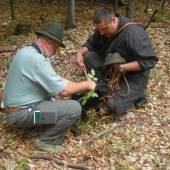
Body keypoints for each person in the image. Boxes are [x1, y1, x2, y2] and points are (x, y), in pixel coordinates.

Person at [2, 22, 96, 153]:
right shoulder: (38, 61)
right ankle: (45, 141)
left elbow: (55, 79)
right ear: (49, 43)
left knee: (55, 103)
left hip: (14, 111)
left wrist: (76, 84)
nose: (55, 52)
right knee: (74, 108)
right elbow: (63, 91)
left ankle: (37, 125)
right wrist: (87, 84)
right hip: (22, 116)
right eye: (56, 48)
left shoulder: (26, 52)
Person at [75, 7, 158, 115]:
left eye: (104, 29)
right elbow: (92, 43)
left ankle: (140, 93)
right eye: (99, 30)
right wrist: (80, 53)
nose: (101, 33)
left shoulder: (134, 34)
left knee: (112, 104)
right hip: (113, 67)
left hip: (133, 75)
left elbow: (149, 61)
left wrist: (122, 67)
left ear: (114, 20)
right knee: (89, 57)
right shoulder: (103, 29)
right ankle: (101, 88)